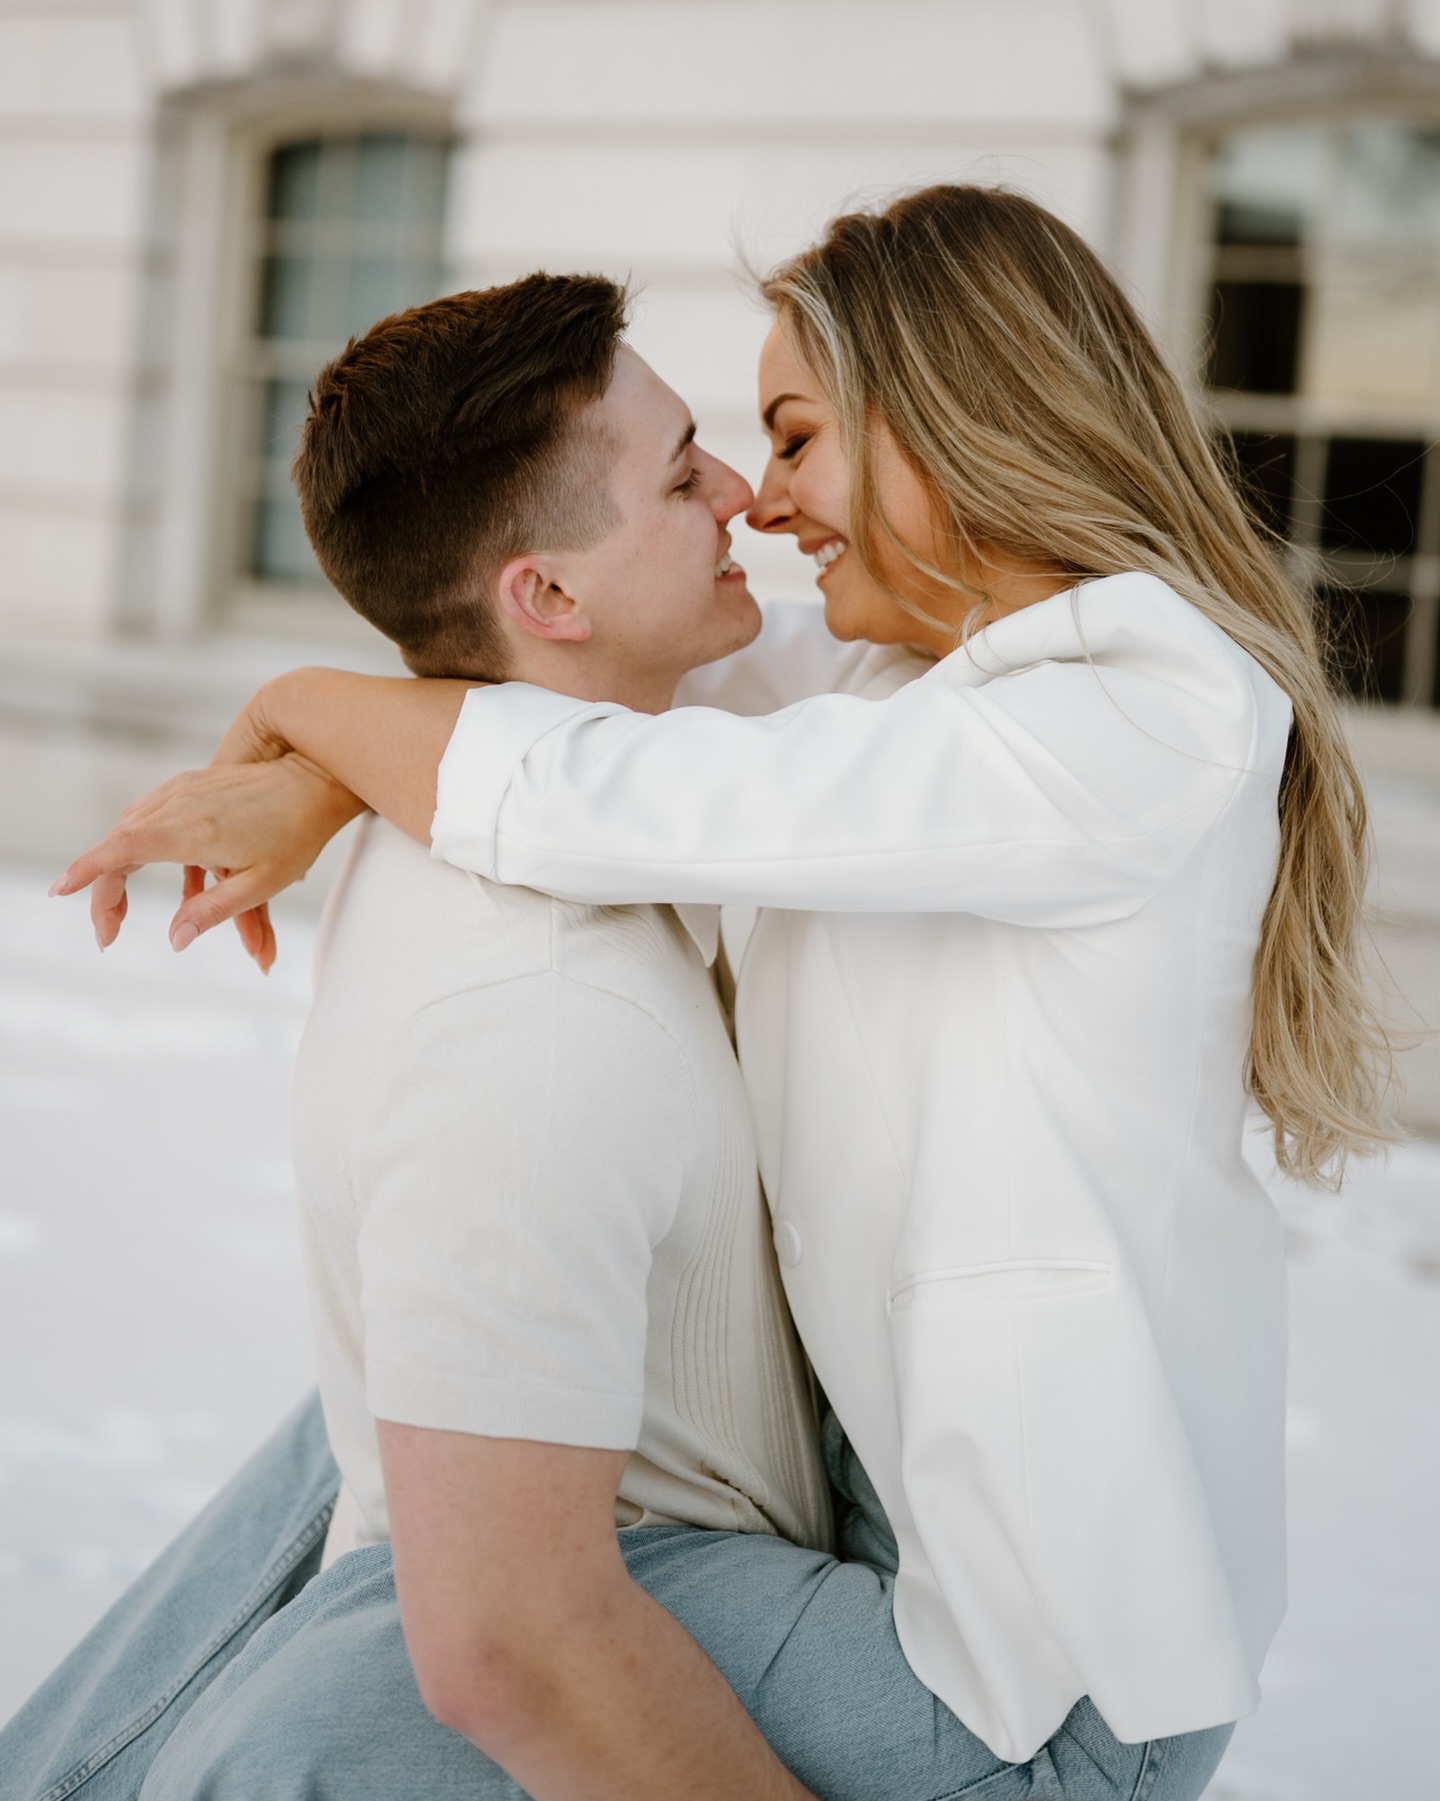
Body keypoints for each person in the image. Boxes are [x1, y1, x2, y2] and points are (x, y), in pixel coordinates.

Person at [46, 183, 1393, 1798]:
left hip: (1046, 1688)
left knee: (437, 1624)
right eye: (726, 457)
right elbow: (569, 672)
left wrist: (298, 706)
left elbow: (605, 782)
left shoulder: (1143, 721)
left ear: (951, 428)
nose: (766, 499)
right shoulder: (916, 678)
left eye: (797, 437)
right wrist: (328, 763)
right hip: (912, 1542)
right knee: (393, 1460)